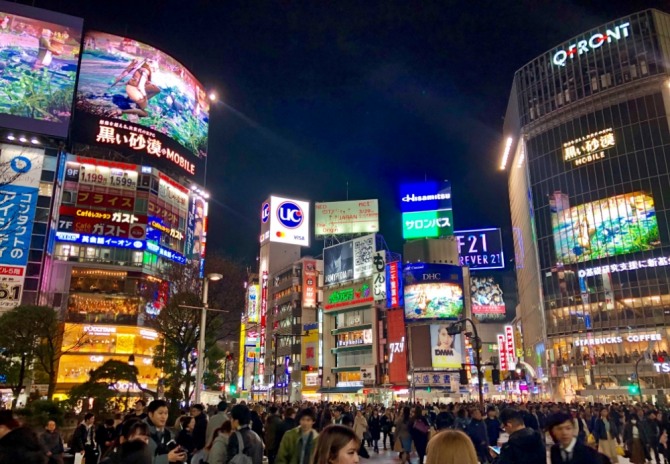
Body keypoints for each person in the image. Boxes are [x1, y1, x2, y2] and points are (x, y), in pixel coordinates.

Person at [547, 412, 611, 464]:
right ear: (553, 431)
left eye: (568, 428)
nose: (564, 433)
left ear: (573, 429)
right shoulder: (554, 450)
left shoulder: (589, 454)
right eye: (559, 429)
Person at [144, 399, 186, 464]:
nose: (164, 417)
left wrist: (181, 455)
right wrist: (166, 458)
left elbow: (177, 455)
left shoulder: (169, 434)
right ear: (150, 414)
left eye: (166, 413)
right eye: (160, 413)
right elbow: (136, 459)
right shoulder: (139, 432)